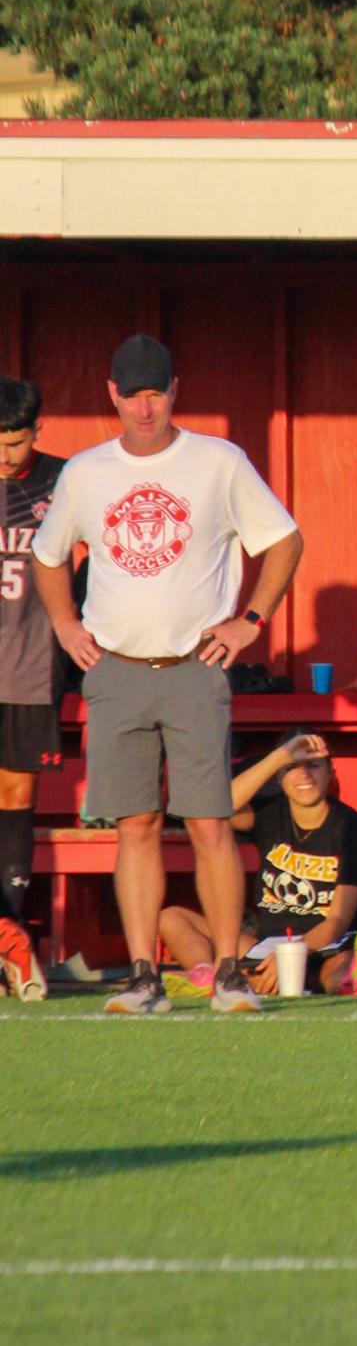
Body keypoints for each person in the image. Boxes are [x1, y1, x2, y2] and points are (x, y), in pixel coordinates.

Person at [31, 334, 304, 1017]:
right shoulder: (87, 472)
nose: (145, 407)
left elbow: (283, 538)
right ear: (112, 393)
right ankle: (145, 975)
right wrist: (66, 626)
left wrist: (251, 619)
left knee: (211, 822)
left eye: (156, 392)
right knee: (136, 823)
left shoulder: (217, 461)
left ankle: (232, 973)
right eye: (133, 393)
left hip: (194, 666)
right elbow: (48, 553)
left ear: (175, 389)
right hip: (116, 668)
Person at [160, 733, 357, 997]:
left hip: (323, 946)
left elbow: (337, 919)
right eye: (291, 767)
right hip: (267, 947)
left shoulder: (351, 828)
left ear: (330, 772)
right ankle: (207, 974)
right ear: (278, 776)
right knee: (171, 918)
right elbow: (217, 807)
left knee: (337, 976)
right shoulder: (271, 813)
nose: (304, 776)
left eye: (313, 765)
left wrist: (292, 955)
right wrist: (278, 757)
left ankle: (353, 975)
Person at [0, 376, 59, 1000]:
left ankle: (12, 936)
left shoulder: (63, 481)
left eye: (17, 443)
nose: (7, 456)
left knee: (16, 795)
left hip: (30, 666)